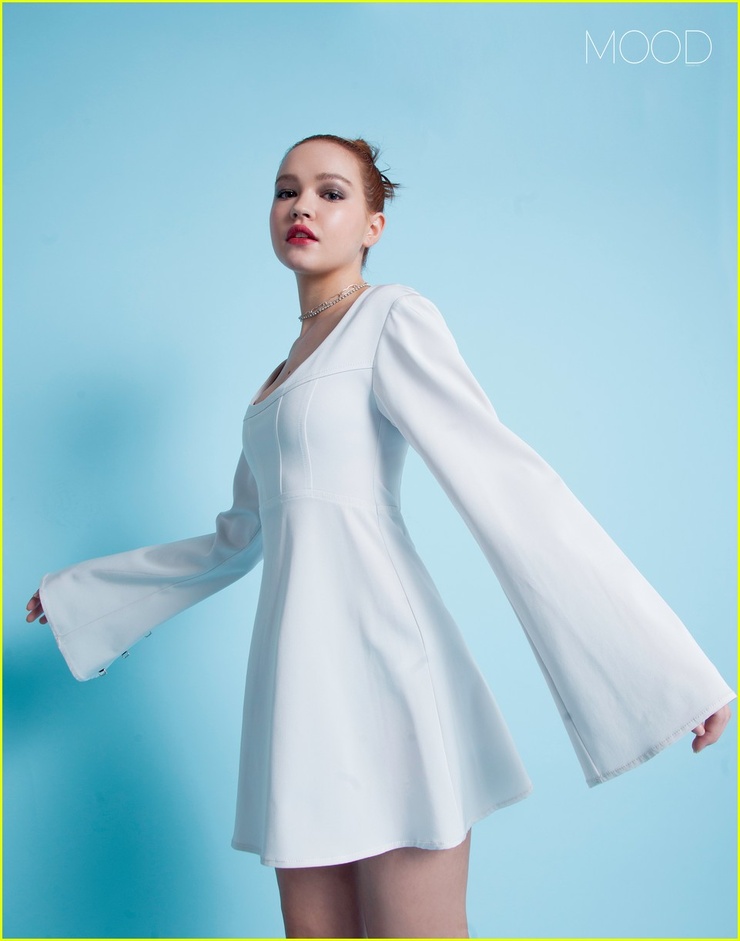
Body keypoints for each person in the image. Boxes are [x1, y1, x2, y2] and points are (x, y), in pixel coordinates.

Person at [26, 134, 733, 940]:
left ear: (373, 225)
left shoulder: (391, 317)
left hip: (389, 669)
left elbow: (505, 481)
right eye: (286, 190)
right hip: (299, 689)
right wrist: (84, 596)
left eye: (331, 192)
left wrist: (670, 675)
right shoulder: (275, 381)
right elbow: (236, 537)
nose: (302, 205)